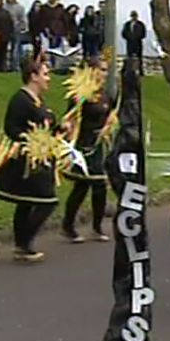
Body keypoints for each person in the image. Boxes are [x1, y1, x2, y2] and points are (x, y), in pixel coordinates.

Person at [0, 57, 59, 262]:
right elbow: (11, 128)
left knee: (26, 203)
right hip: (26, 161)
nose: (48, 78)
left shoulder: (38, 100)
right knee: (46, 200)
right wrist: (30, 140)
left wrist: (60, 129)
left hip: (41, 158)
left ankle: (22, 246)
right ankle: (24, 241)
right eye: (45, 74)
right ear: (33, 76)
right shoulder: (20, 100)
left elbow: (44, 126)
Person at [61, 57, 115, 243]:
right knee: (81, 186)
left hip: (98, 145)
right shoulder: (80, 93)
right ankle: (68, 226)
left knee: (100, 186)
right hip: (82, 145)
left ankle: (97, 227)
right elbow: (70, 117)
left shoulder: (106, 94)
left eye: (106, 70)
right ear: (91, 70)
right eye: (102, 69)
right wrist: (68, 130)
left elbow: (112, 114)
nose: (105, 73)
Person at [122, 10, 146, 76]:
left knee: (139, 57)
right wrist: (129, 38)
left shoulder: (141, 24)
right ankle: (128, 71)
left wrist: (137, 38)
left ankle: (140, 71)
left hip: (138, 43)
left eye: (135, 16)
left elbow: (143, 34)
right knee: (129, 57)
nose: (134, 17)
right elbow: (124, 33)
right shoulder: (127, 24)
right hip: (129, 43)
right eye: (133, 16)